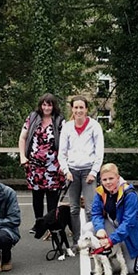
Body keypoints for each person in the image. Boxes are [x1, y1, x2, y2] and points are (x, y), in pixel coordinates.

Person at [58, 95, 104, 244]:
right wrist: (66, 171)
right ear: (72, 109)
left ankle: (93, 240)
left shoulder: (94, 126)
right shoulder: (67, 127)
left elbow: (99, 151)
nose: (78, 110)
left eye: (81, 107)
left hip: (88, 171)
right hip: (72, 172)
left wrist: (94, 172)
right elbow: (62, 153)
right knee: (74, 209)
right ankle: (77, 240)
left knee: (91, 209)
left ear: (86, 109)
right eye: (76, 107)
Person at [91, 163, 138, 274]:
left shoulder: (129, 193)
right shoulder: (100, 192)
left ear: (118, 178)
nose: (108, 182)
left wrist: (111, 240)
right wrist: (100, 228)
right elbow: (96, 213)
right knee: (89, 227)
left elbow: (128, 223)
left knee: (131, 270)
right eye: (104, 179)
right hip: (115, 227)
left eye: (111, 178)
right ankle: (108, 259)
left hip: (132, 233)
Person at [18, 93, 66, 234]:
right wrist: (22, 156)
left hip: (53, 165)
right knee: (37, 196)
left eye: (49, 105)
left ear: (53, 106)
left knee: (52, 197)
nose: (46, 107)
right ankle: (38, 224)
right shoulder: (32, 118)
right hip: (34, 164)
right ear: (40, 105)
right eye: (44, 104)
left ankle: (51, 225)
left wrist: (64, 164)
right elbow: (22, 138)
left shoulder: (59, 120)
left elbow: (66, 142)